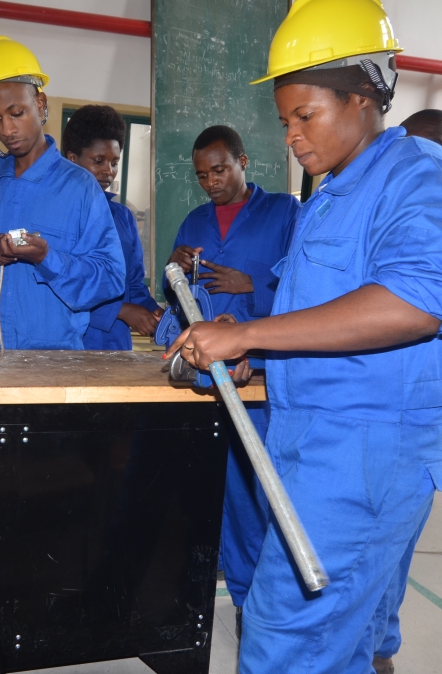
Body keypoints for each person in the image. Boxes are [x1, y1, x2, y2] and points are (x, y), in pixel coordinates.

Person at [168, 0, 442, 674]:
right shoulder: (329, 195)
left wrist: (247, 331)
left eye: (305, 116)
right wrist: (263, 356)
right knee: (326, 652)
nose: (294, 139)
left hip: (364, 459)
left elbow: (417, 302)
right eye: (284, 123)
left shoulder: (418, 174)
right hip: (314, 449)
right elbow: (319, 318)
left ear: (365, 95)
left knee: (287, 653)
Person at [166, 124, 299, 637]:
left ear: (244, 161)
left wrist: (254, 284)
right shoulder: (196, 219)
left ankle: (272, 605)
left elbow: (307, 290)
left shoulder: (285, 213)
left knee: (265, 493)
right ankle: (243, 598)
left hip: (259, 375)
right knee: (223, 496)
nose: (211, 182)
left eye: (220, 170)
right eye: (202, 175)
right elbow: (175, 295)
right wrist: (173, 269)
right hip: (205, 377)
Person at [369, 107, 442, 674]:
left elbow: (411, 307)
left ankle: (380, 642)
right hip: (370, 407)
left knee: (390, 543)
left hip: (411, 405)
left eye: (430, 153)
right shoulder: (376, 204)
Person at [0, 36, 125, 350]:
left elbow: (110, 278)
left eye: (16, 113)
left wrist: (48, 258)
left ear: (40, 104)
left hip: (52, 365)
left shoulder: (80, 186)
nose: (6, 130)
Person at [62, 105, 162, 349]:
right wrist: (121, 311)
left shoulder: (123, 217)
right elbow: (59, 286)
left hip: (116, 346)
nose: (109, 171)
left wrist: (156, 314)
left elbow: (134, 284)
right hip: (70, 344)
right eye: (99, 161)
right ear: (73, 159)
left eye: (115, 162)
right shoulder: (59, 216)